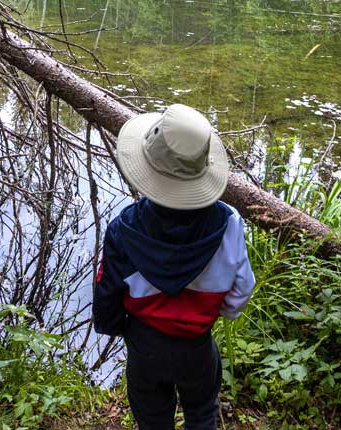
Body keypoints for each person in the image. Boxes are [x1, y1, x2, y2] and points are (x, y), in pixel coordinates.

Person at [93, 103, 255, 430]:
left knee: (152, 419)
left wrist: (117, 327)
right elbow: (242, 288)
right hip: (197, 346)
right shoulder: (228, 223)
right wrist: (217, 312)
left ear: (148, 169)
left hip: (145, 347)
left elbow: (107, 292)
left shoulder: (123, 228)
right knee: (201, 413)